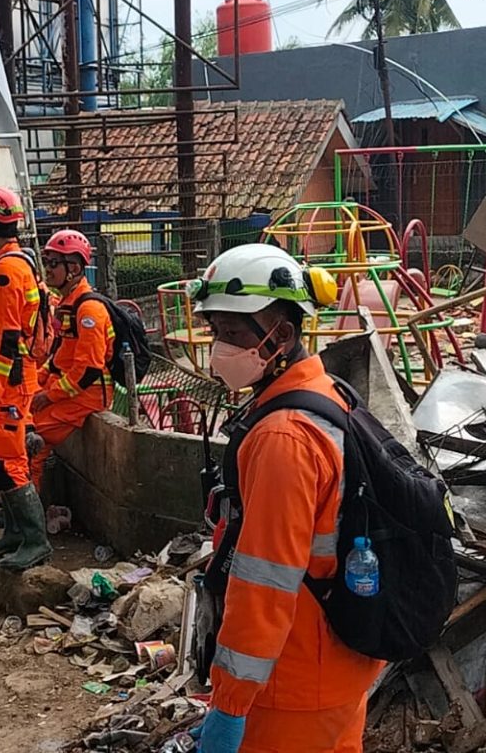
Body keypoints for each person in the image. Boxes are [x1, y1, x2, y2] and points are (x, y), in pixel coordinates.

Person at [189, 243, 378, 753]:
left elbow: (263, 585)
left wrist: (228, 707)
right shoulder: (327, 395)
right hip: (339, 665)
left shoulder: (283, 438)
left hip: (290, 683)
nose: (218, 348)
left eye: (233, 333)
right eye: (215, 331)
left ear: (282, 336)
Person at [0, 186, 51, 571]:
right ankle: (16, 533)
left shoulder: (5, 271)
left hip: (8, 383)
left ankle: (35, 539)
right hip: (13, 378)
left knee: (12, 461)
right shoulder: (19, 264)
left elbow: (4, 336)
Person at [27, 229, 114, 487]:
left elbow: (87, 369)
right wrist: (36, 384)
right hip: (70, 389)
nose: (48, 269)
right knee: (18, 421)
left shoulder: (89, 310)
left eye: (54, 263)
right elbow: (59, 357)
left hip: (87, 395)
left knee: (29, 437)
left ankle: (27, 519)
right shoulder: (69, 304)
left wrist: (49, 395)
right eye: (47, 262)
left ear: (74, 268)